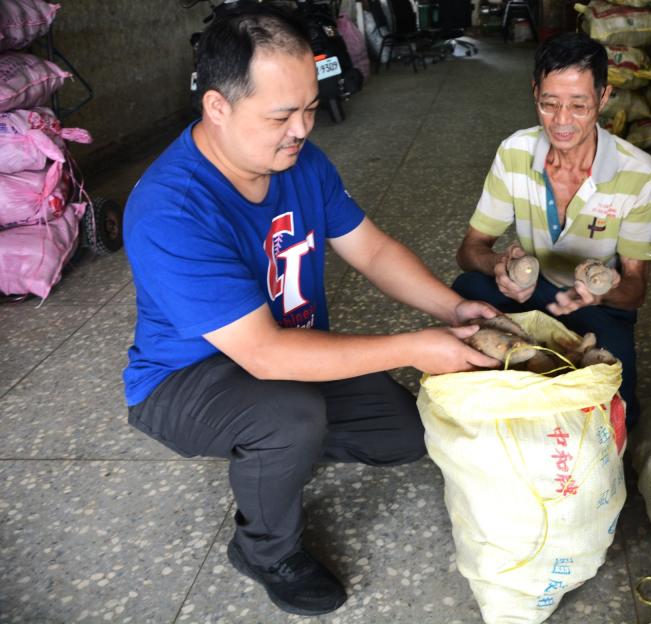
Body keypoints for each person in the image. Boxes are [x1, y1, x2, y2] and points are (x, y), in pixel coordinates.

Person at [121, 7, 499, 617]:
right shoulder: (173, 210)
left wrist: (455, 306)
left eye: (310, 108)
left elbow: (371, 250)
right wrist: (413, 346)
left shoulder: (300, 163)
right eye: (280, 115)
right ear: (217, 106)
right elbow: (265, 354)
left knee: (405, 432)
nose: (301, 128)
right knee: (288, 414)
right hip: (183, 379)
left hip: (282, 356)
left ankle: (278, 445)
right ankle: (263, 548)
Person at [453, 32, 651, 432]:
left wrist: (603, 289)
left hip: (597, 305)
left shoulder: (639, 173)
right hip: (533, 293)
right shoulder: (515, 152)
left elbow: (635, 291)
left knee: (616, 408)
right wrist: (500, 266)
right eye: (549, 104)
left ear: (603, 98)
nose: (562, 122)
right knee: (464, 290)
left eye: (579, 105)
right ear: (535, 92)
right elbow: (469, 250)